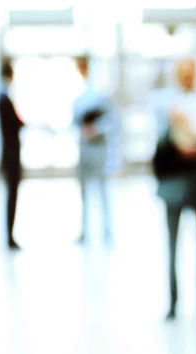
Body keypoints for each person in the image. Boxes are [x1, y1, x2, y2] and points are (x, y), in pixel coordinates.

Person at [153, 58, 196, 321]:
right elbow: (157, 151)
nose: (187, 78)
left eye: (191, 73)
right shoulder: (165, 106)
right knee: (172, 246)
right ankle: (172, 303)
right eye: (183, 74)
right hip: (173, 185)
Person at [72, 55, 118, 245]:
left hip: (98, 149)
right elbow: (74, 122)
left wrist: (95, 129)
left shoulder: (101, 95)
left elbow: (112, 121)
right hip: (84, 149)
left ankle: (107, 231)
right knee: (84, 193)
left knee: (102, 191)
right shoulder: (78, 97)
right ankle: (84, 231)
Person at [0, 58, 24, 250]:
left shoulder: (3, 98)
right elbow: (15, 124)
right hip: (11, 155)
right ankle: (9, 237)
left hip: (9, 153)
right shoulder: (4, 99)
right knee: (11, 196)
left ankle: (10, 236)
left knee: (11, 195)